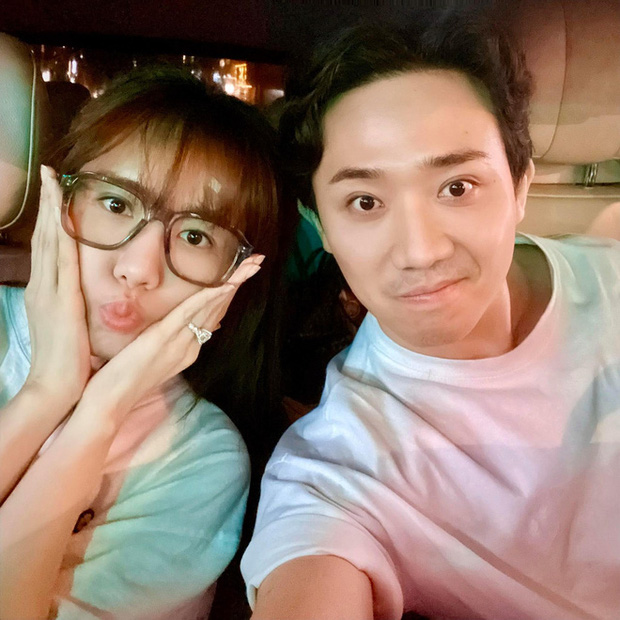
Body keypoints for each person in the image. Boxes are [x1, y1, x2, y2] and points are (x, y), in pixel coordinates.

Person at [241, 13, 620, 620]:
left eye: (457, 187)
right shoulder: (336, 472)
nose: (420, 252)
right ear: (322, 226)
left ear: (520, 186)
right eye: (365, 201)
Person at [0, 66, 289, 619]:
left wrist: (100, 412)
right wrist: (46, 392)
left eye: (196, 236)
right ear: (61, 201)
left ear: (237, 276)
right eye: (116, 205)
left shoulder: (199, 459)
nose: (138, 269)